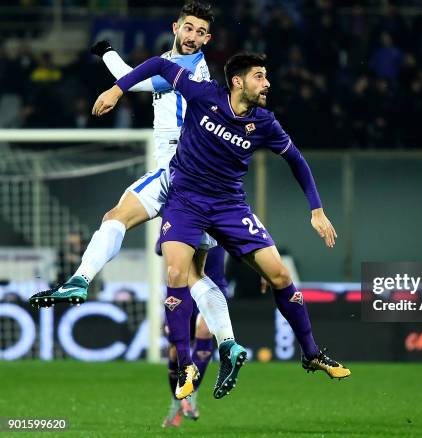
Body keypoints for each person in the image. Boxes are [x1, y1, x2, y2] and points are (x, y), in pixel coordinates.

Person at [29, 1, 243, 411]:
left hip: (177, 171)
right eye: (189, 28)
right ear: (176, 27)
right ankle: (228, 342)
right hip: (195, 181)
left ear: (207, 39)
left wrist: (107, 59)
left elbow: (137, 81)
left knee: (130, 229)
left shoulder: (187, 71)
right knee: (187, 270)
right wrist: (112, 63)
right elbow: (139, 76)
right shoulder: (170, 63)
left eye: (201, 32)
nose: (194, 35)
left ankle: (81, 278)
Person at [91, 52, 351, 383]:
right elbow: (157, 65)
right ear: (237, 81)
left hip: (230, 207)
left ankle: (311, 353)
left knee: (281, 277)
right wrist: (117, 90)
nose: (267, 83)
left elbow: (297, 161)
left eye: (266, 76)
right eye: (259, 76)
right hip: (185, 202)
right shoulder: (203, 93)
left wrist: (317, 210)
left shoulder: (265, 123)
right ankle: (185, 364)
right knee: (176, 273)